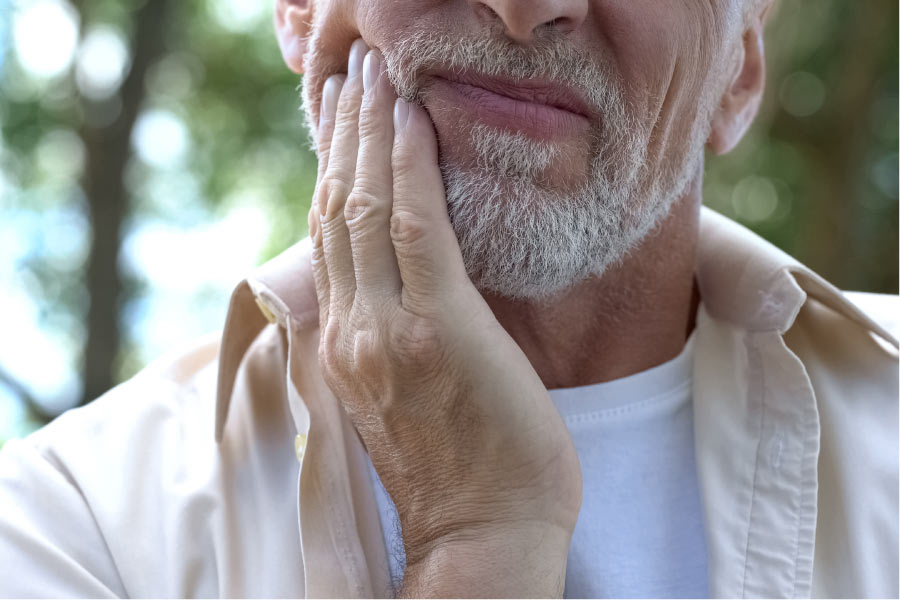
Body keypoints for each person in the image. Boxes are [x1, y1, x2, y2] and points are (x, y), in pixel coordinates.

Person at [0, 0, 897, 597]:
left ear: (739, 71)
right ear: (300, 8)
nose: (523, 2)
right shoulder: (74, 530)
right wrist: (476, 541)